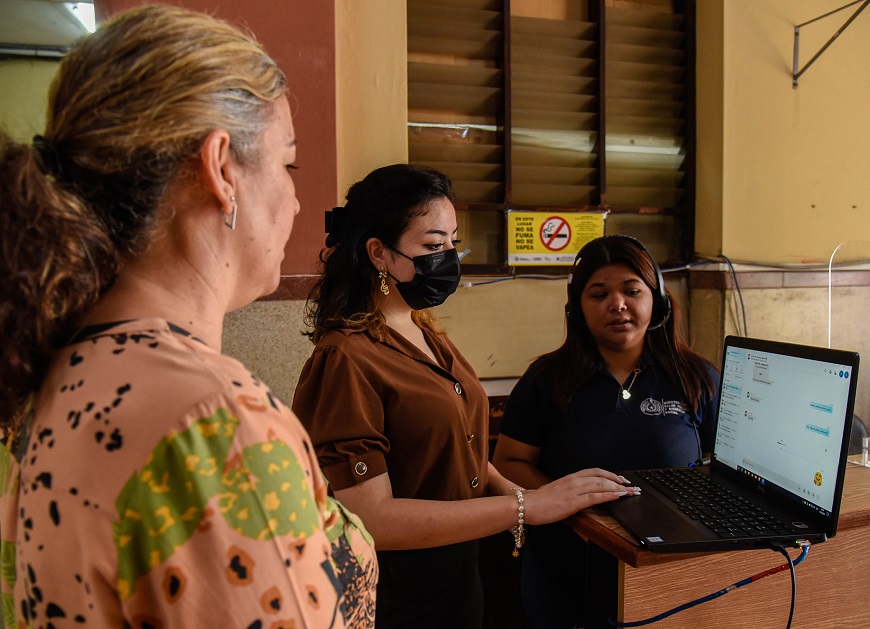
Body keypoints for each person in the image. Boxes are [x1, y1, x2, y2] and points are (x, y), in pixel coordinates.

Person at [0, 6, 376, 627]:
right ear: (222, 168)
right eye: (288, 163)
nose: (297, 197)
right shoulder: (212, 421)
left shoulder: (56, 373)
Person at [291, 164, 639, 629]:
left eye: (452, 242)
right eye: (433, 246)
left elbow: (463, 454)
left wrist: (540, 500)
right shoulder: (346, 359)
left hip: (458, 577)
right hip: (399, 595)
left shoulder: (421, 330)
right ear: (379, 253)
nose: (449, 258)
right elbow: (371, 516)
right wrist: (524, 507)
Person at [492, 234, 721, 628]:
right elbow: (508, 460)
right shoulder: (547, 379)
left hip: (667, 568)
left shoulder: (697, 377)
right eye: (598, 295)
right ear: (577, 309)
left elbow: (724, 466)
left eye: (632, 291)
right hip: (566, 567)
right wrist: (567, 508)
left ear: (658, 300)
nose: (617, 304)